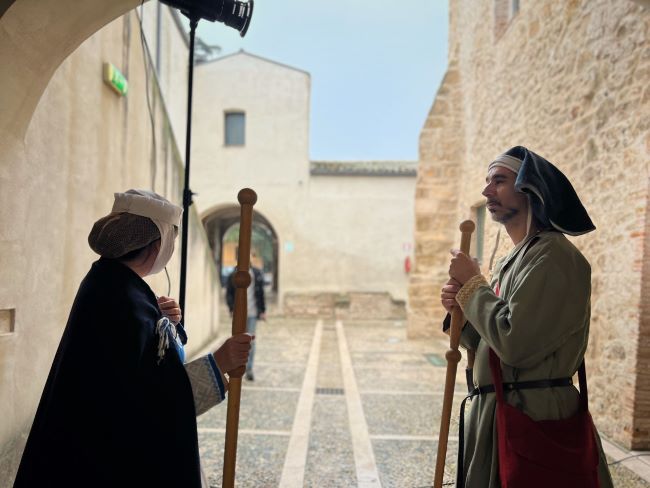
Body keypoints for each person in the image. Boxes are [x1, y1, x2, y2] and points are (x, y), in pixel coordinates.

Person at [14, 189, 253, 488]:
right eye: (172, 239)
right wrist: (219, 362)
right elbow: (151, 405)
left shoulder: (109, 281)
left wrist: (167, 321)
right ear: (157, 245)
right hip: (105, 464)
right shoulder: (125, 301)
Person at [441, 147, 613, 487]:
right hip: (500, 411)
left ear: (531, 189)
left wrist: (474, 285)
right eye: (487, 182)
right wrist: (460, 311)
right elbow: (494, 339)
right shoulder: (514, 259)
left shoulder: (554, 257)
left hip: (534, 418)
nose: (487, 191)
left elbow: (517, 344)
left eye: (500, 181)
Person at [226, 253, 266, 381]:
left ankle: (249, 369)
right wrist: (232, 308)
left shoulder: (257, 273)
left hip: (253, 313)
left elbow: (261, 294)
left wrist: (263, 310)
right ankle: (237, 366)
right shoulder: (233, 274)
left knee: (251, 342)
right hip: (239, 314)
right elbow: (229, 293)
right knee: (237, 340)